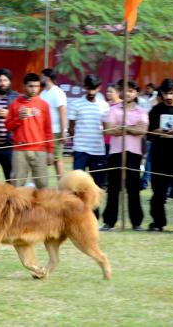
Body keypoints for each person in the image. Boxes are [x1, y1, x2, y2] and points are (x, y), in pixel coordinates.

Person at [100, 80, 148, 231]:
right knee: (113, 188)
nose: (127, 93)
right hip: (116, 152)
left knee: (133, 188)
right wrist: (131, 129)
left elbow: (143, 130)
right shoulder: (113, 110)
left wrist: (123, 128)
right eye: (125, 90)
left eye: (131, 91)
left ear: (136, 93)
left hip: (134, 154)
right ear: (120, 92)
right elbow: (109, 130)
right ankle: (109, 221)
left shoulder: (141, 111)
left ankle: (136, 222)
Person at [147, 78, 173, 232]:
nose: (168, 97)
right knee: (158, 192)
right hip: (159, 156)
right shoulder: (155, 110)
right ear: (161, 93)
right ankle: (157, 222)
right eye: (165, 93)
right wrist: (155, 132)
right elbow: (149, 134)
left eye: (172, 93)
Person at [5, 73, 53, 188]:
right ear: (24, 86)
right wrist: (18, 119)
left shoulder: (43, 105)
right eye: (31, 86)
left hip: (39, 150)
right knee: (17, 184)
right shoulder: (15, 104)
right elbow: (8, 126)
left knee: (42, 184)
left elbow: (48, 129)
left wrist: (50, 151)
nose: (34, 89)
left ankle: (42, 206)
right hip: (20, 150)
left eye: (36, 86)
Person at [68, 74, 110, 195]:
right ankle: (76, 212)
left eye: (94, 88)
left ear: (99, 88)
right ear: (84, 87)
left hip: (98, 151)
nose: (91, 91)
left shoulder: (104, 105)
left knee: (96, 186)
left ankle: (94, 214)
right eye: (89, 88)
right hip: (80, 150)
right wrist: (77, 141)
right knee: (75, 186)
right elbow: (71, 128)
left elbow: (106, 130)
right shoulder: (76, 104)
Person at [40, 68, 67, 179]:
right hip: (43, 132)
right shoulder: (43, 93)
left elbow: (63, 112)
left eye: (42, 76)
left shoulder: (57, 92)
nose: (40, 78)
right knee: (42, 160)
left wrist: (63, 131)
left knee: (57, 160)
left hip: (55, 132)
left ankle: (62, 186)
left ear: (47, 78)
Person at [104, 83, 122, 154]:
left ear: (118, 93)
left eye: (111, 92)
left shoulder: (123, 105)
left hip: (117, 139)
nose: (108, 93)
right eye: (107, 91)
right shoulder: (104, 104)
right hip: (104, 140)